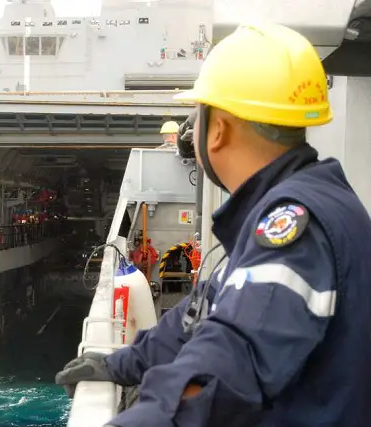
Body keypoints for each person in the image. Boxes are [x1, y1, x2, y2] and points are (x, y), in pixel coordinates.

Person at [55, 22, 371, 426]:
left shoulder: (293, 225)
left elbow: (227, 369)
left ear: (218, 130)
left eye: (198, 115)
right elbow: (198, 315)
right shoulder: (302, 203)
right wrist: (121, 363)